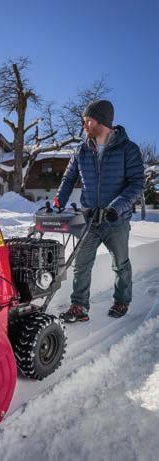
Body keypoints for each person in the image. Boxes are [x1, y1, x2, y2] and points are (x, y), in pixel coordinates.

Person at [55, 99, 144, 323]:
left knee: (120, 263)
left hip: (116, 220)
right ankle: (79, 307)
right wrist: (58, 201)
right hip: (89, 218)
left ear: (102, 121)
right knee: (81, 264)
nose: (85, 125)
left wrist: (116, 207)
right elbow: (68, 180)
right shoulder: (82, 150)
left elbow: (137, 183)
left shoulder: (128, 149)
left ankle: (122, 300)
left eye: (88, 120)